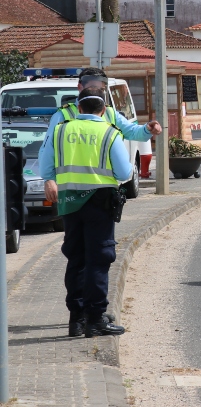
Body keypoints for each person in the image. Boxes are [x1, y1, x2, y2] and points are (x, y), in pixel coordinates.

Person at [42, 88, 133, 337]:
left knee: (76, 258)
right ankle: (95, 319)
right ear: (103, 110)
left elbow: (46, 165)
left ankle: (76, 320)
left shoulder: (60, 130)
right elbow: (125, 174)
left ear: (78, 108)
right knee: (98, 259)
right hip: (100, 201)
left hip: (69, 202)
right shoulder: (109, 132)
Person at [38, 67, 162, 162]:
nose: (97, 93)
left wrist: (147, 129)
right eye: (92, 88)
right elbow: (47, 151)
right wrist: (49, 180)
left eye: (101, 89)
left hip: (103, 184)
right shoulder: (63, 115)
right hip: (71, 187)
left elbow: (133, 132)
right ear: (80, 87)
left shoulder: (109, 113)